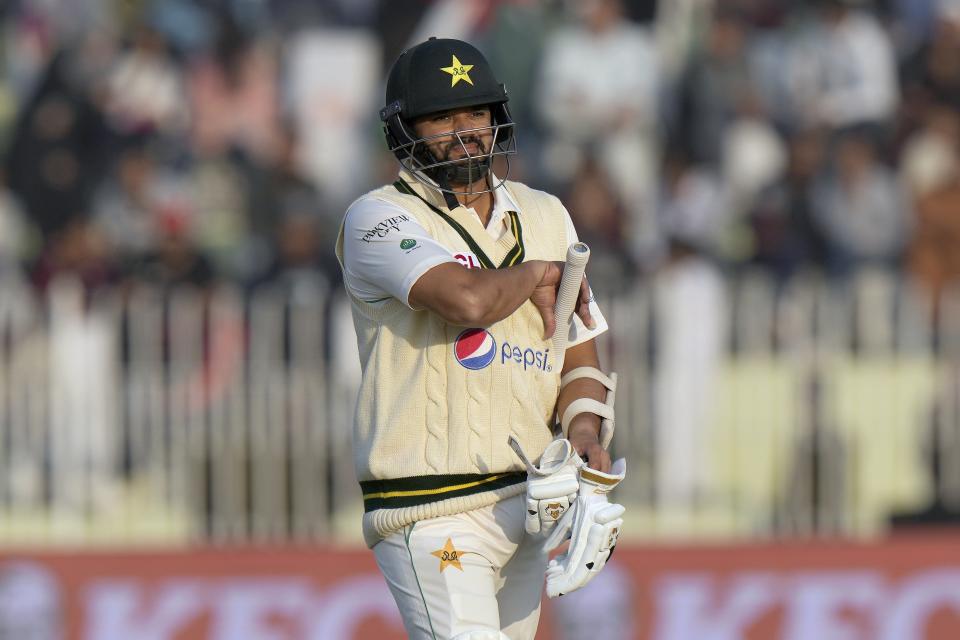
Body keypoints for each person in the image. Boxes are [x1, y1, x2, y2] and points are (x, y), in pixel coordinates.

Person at [336, 37, 622, 639]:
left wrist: (584, 438)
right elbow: (466, 301)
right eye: (441, 117)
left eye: (476, 114)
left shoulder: (546, 215)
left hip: (526, 503)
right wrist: (542, 273)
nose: (464, 130)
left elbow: (578, 352)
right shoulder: (377, 218)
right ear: (402, 131)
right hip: (429, 508)